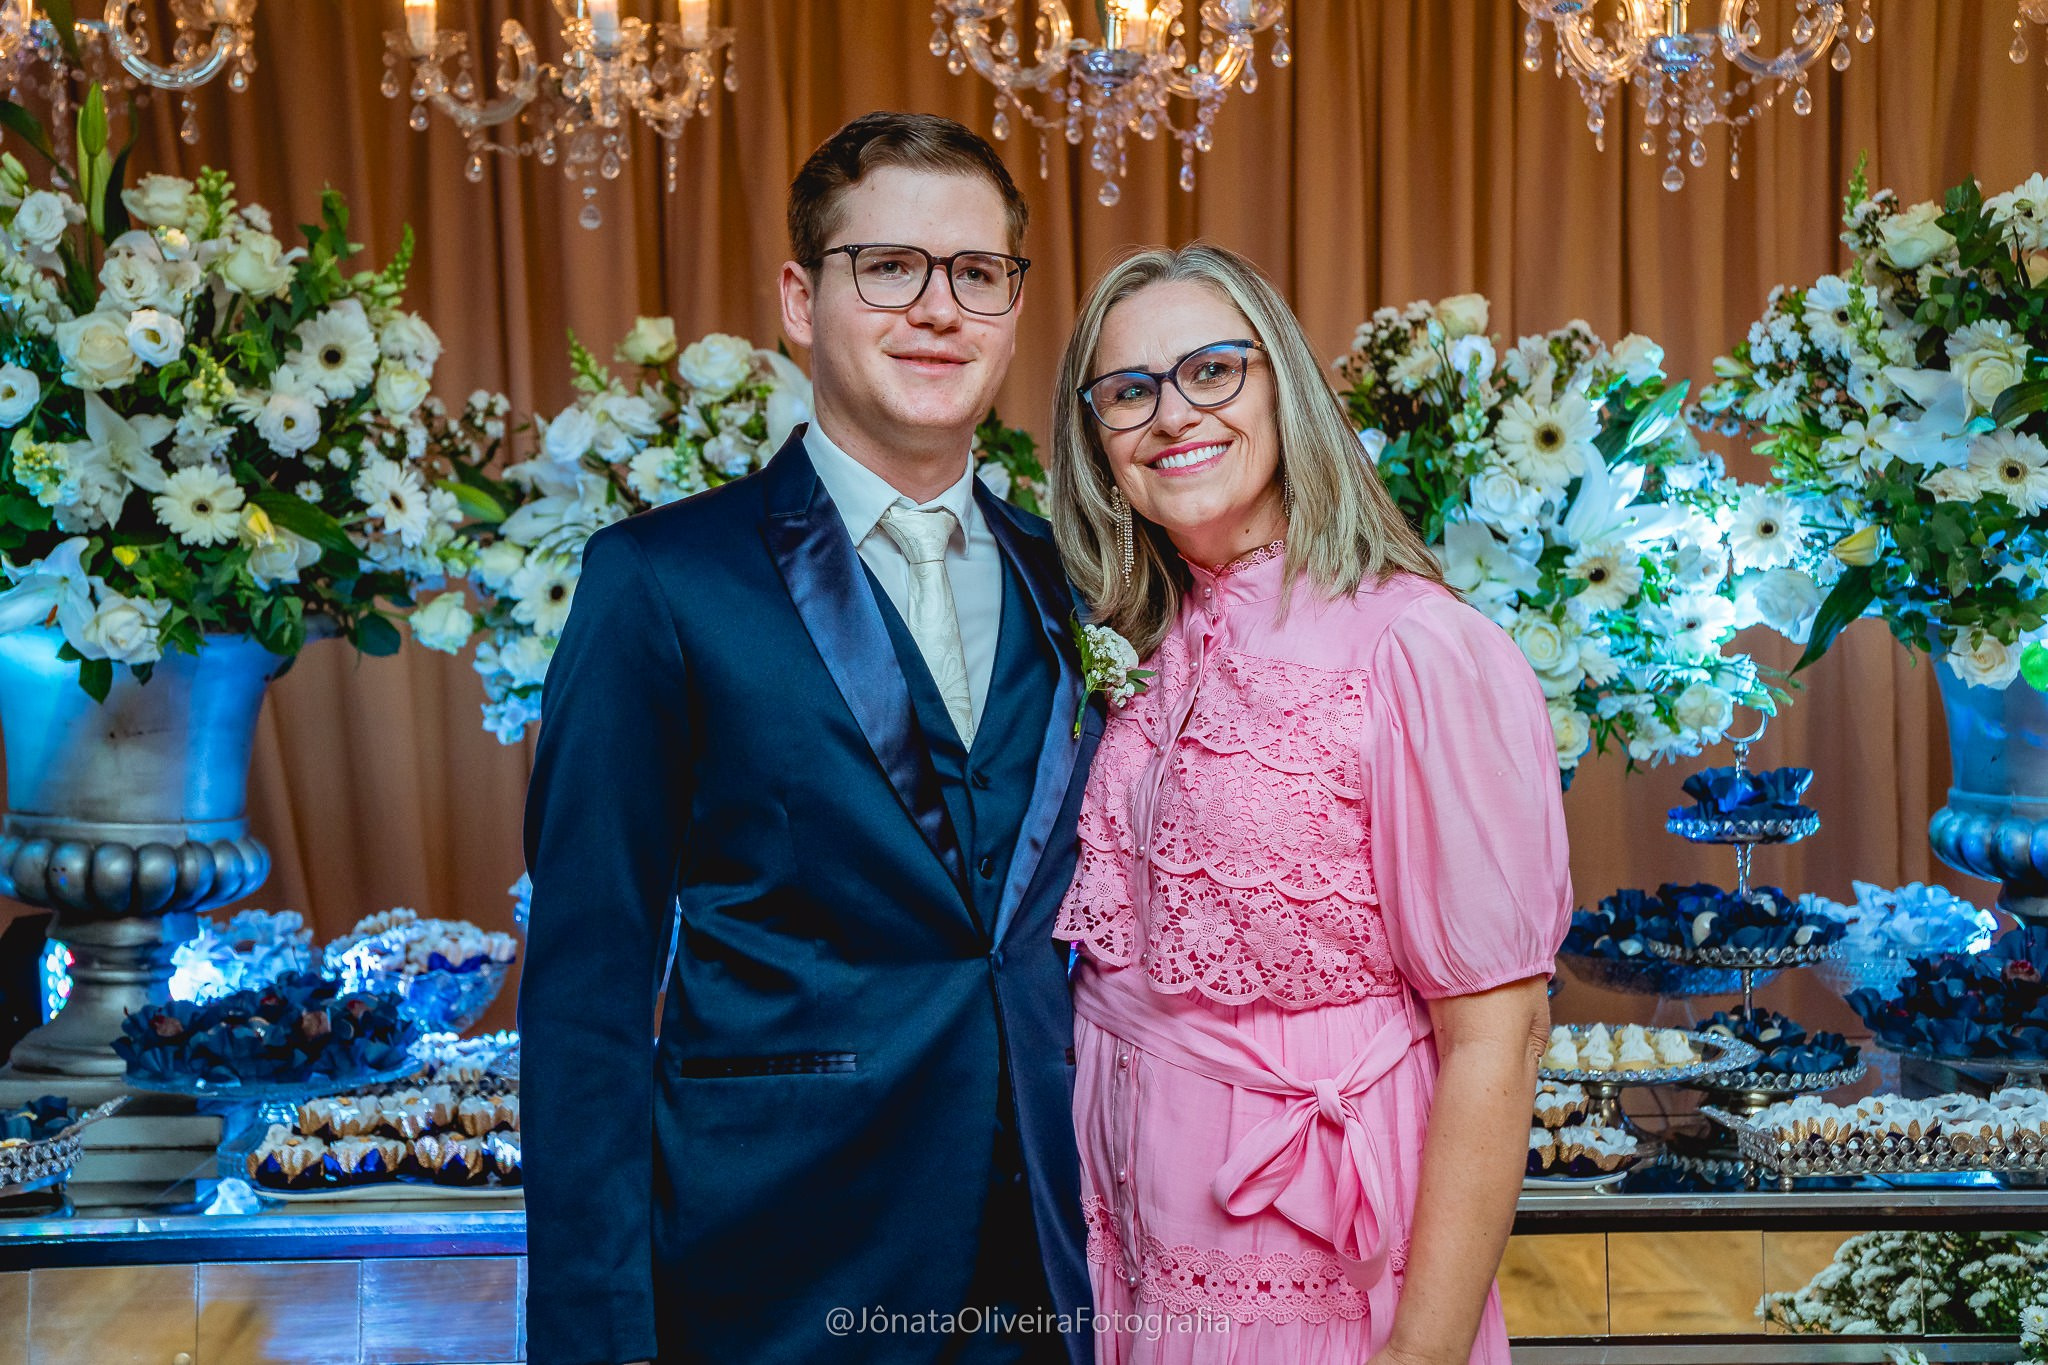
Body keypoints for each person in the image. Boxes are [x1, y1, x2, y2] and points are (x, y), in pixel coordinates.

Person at [521, 112, 1102, 1365]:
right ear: (800, 298)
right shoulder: (660, 583)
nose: (936, 309)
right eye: (887, 267)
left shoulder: (1084, 586)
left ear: (1012, 305)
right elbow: (585, 997)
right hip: (775, 1277)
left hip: (1057, 1278)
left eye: (976, 273)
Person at [1045, 243, 1572, 1364]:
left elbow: (1498, 1034)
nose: (1169, 415)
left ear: (1282, 384)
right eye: (1128, 392)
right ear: (1095, 439)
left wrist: (1417, 1357)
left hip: (1306, 1255)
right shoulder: (1133, 636)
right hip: (1119, 1244)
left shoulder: (1418, 646)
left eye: (1212, 371)